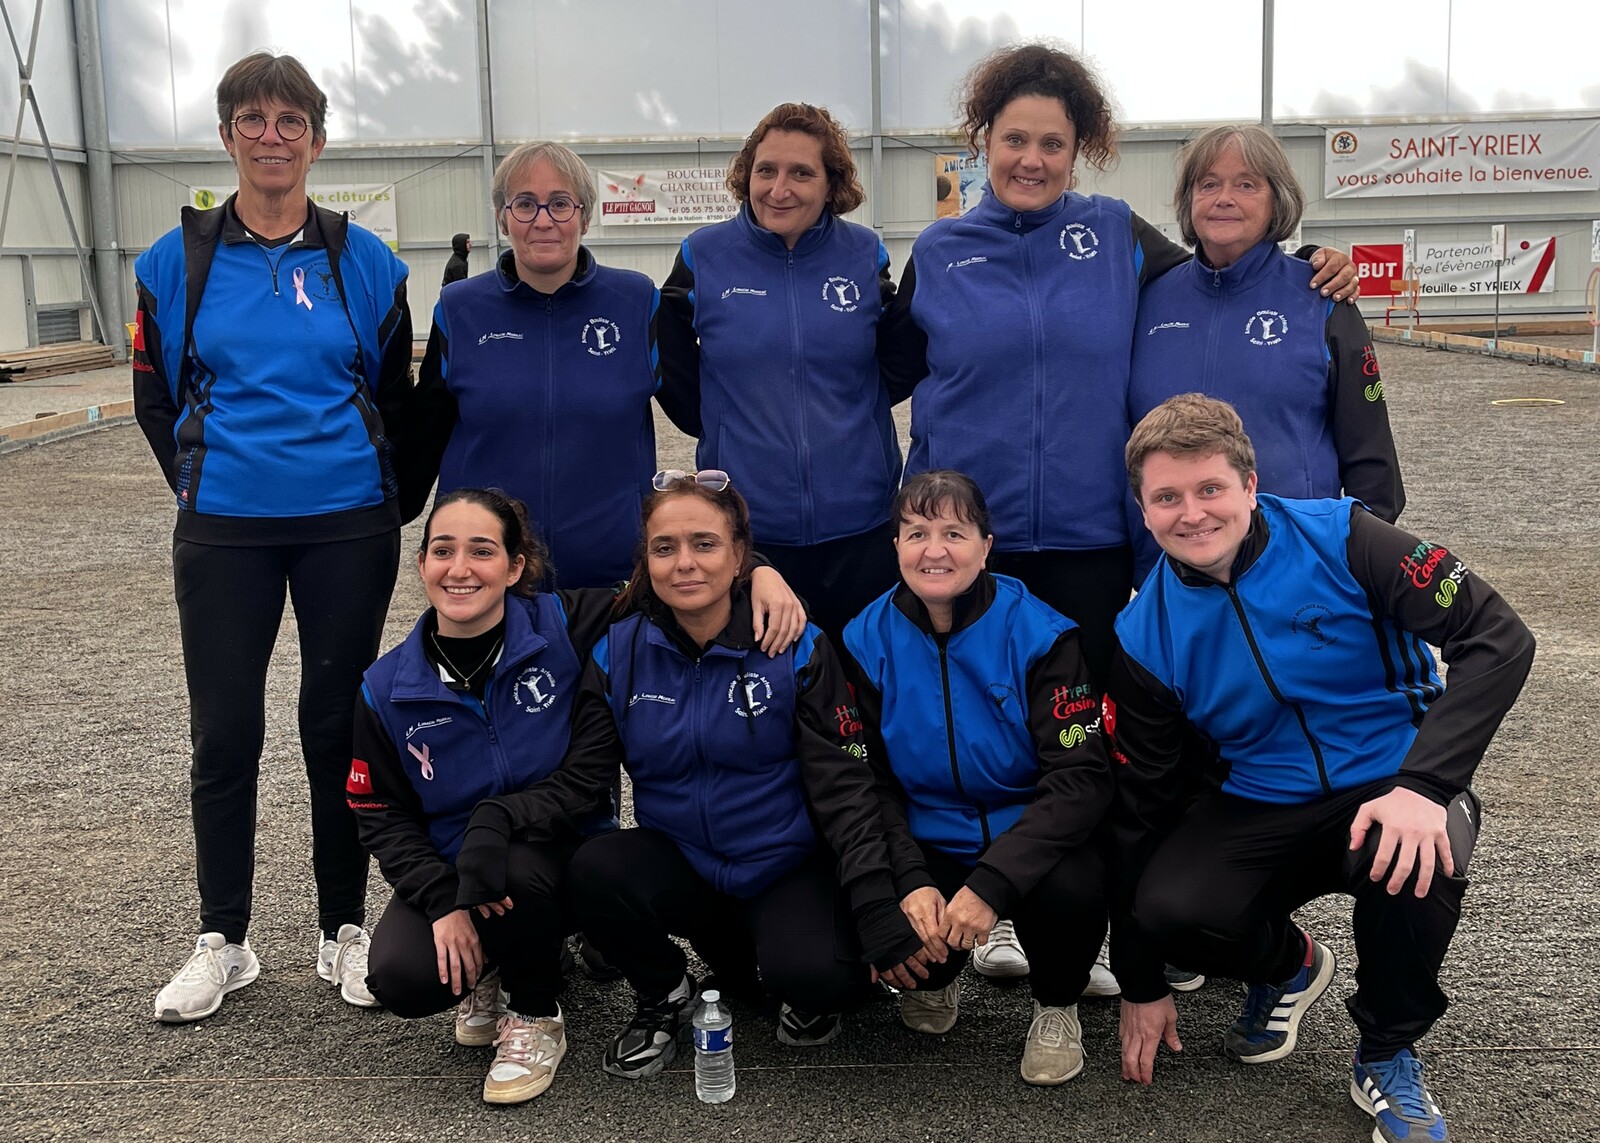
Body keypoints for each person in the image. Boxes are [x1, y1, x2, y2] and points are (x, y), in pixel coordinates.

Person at [1108, 394, 1534, 1143]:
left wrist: (1426, 784)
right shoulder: (1143, 632)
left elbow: (1497, 637)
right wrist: (1139, 981)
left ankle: (1386, 1051)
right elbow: (1140, 804)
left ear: (1250, 484)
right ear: (1143, 511)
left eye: (1211, 488)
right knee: (1167, 908)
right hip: (1261, 795)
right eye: (1167, 497)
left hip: (1394, 776)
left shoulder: (1347, 537)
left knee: (1416, 858)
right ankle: (1292, 965)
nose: (1192, 514)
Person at [878, 43, 1358, 689]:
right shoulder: (940, 251)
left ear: (1077, 152)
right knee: (974, 708)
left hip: (1091, 544)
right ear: (985, 140)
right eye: (1015, 139)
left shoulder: (1114, 233)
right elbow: (880, 375)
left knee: (1086, 721)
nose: (1031, 159)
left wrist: (1309, 262)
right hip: (965, 539)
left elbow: (1220, 273)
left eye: (1053, 143)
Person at [133, 51, 413, 1023]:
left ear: (317, 141)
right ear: (226, 137)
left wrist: (378, 498)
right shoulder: (173, 262)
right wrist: (205, 487)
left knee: (335, 728)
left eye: (291, 121)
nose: (271, 137)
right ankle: (225, 939)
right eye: (251, 119)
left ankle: (343, 928)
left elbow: (392, 393)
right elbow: (154, 394)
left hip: (346, 526)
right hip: (226, 531)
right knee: (225, 733)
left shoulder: (365, 262)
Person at [567, 471, 926, 1079]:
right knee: (591, 868)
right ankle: (665, 993)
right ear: (646, 561)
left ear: (740, 557)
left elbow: (846, 787)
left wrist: (874, 906)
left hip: (783, 865)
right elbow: (580, 781)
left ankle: (787, 970)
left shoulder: (795, 644)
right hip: (688, 865)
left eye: (705, 544)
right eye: (664, 547)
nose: (685, 562)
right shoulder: (616, 651)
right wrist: (497, 831)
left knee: (817, 979)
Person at [841, 470, 1115, 1085]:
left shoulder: (1041, 634)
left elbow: (1080, 777)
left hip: (1026, 827)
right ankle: (937, 979)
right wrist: (910, 878)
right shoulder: (864, 637)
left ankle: (1057, 1004)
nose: (933, 550)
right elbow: (869, 780)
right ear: (895, 546)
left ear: (986, 546)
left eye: (954, 533)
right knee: (895, 929)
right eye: (916, 533)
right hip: (929, 832)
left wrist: (992, 885)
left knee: (1073, 886)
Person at [351, 489, 624, 1104]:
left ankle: (536, 1012)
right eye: (442, 551)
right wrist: (442, 900)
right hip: (462, 870)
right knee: (401, 978)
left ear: (515, 566)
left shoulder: (564, 625)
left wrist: (762, 573)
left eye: (481, 551)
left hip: (565, 853)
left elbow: (673, 586)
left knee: (512, 866)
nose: (460, 569)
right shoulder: (385, 686)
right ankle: (494, 962)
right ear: (422, 564)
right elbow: (379, 811)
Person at [658, 103, 902, 637]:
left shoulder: (864, 254)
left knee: (864, 677)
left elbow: (896, 358)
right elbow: (668, 355)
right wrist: (714, 422)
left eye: (801, 173)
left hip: (863, 525)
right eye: (765, 170)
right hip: (752, 532)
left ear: (831, 183)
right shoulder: (704, 255)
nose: (779, 189)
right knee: (771, 678)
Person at [410, 142, 699, 589]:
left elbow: (702, 412)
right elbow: (423, 436)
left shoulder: (636, 302)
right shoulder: (459, 308)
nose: (543, 220)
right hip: (488, 576)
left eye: (561, 204)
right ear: (502, 218)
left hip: (611, 575)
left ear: (585, 217)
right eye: (525, 204)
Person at [1127, 124, 1404, 580]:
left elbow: (1372, 461)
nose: (1224, 198)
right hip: (1172, 575)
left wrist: (1353, 566)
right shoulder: (1148, 300)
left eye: (1246, 185)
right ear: (1188, 200)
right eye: (1208, 184)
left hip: (1298, 572)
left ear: (1278, 200)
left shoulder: (1322, 298)